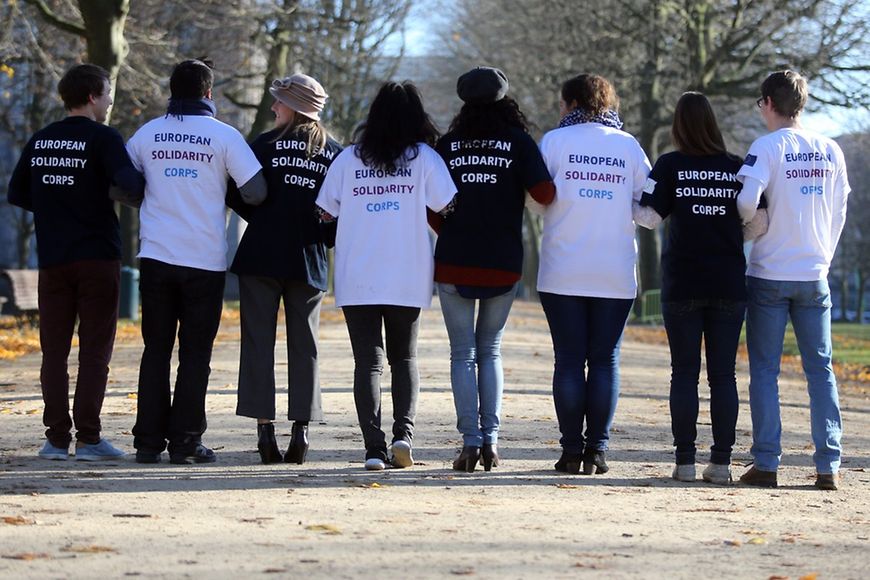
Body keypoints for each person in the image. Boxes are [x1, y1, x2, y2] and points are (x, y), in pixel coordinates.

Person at [123, 59, 266, 465]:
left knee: (156, 350)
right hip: (203, 260)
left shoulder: (147, 134)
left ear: (171, 91)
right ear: (209, 93)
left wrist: (151, 196)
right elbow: (255, 193)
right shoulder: (224, 136)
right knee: (195, 354)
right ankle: (185, 442)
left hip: (155, 255)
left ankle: (147, 441)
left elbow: (123, 184)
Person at [316, 81, 456, 471]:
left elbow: (325, 212)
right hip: (407, 272)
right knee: (404, 358)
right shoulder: (425, 158)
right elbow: (447, 205)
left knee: (368, 363)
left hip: (357, 272)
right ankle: (402, 435)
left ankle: (373, 448)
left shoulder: (347, 159)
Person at [7, 64, 144, 461]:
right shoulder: (103, 138)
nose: (110, 100)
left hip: (53, 259)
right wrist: (98, 194)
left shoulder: (41, 140)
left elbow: (19, 193)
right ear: (90, 97)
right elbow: (132, 185)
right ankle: (88, 438)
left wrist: (56, 206)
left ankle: (54, 440)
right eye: (107, 93)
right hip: (97, 258)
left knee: (54, 351)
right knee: (94, 351)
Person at [634, 92, 763, 485]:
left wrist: (629, 194)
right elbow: (760, 223)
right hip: (727, 282)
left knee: (684, 374)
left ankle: (685, 462)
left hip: (683, 282)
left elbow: (649, 219)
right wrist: (727, 233)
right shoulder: (737, 168)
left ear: (678, 126)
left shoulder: (670, 165)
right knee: (724, 376)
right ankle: (721, 463)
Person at [432, 67, 554, 472]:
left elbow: (432, 206)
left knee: (462, 354)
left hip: (454, 258)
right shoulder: (518, 142)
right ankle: (492, 441)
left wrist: (449, 229)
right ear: (506, 100)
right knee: (490, 350)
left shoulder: (447, 145)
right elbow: (546, 193)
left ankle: (469, 442)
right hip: (502, 261)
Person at [735, 70, 850, 491]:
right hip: (813, 273)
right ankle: (828, 466)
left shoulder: (766, 146)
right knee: (820, 370)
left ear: (768, 103)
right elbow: (840, 209)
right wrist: (824, 253)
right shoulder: (830, 148)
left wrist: (752, 225)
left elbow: (746, 199)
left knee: (765, 370)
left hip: (768, 272)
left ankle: (767, 463)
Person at [537, 74, 650, 475]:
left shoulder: (553, 142)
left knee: (568, 360)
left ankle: (570, 450)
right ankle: (597, 451)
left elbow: (537, 200)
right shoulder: (628, 146)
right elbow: (648, 209)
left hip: (562, 268)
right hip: (614, 268)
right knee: (605, 360)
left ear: (570, 103)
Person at [226, 73, 342, 465]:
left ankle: (264, 432)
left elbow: (237, 193)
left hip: (259, 256)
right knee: (304, 345)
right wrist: (322, 237)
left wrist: (261, 219)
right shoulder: (336, 154)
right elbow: (341, 210)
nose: (273, 106)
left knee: (258, 343)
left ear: (293, 106)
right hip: (307, 260)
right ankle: (301, 432)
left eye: (279, 101)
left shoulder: (262, 145)